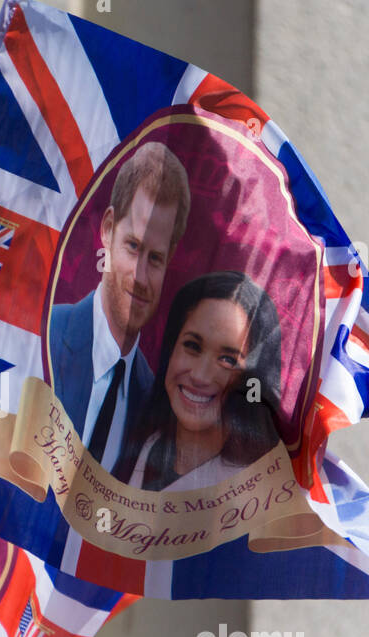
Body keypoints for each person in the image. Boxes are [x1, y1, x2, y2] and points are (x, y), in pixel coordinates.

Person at [48, 140, 191, 476]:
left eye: (155, 258)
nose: (141, 276)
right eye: (133, 246)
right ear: (108, 230)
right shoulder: (43, 337)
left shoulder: (157, 408)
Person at [119, 271, 283, 492]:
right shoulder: (135, 444)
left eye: (228, 360)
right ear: (171, 347)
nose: (200, 376)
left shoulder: (262, 490)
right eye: (192, 346)